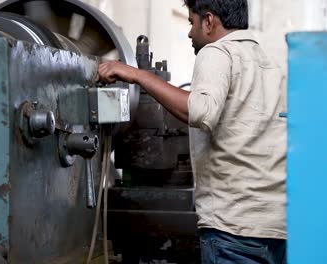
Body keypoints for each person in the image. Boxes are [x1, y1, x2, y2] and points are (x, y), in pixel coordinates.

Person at [96, 0, 287, 263]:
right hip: (277, 227)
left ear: (208, 21)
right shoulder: (272, 65)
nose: (189, 33)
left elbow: (200, 111)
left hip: (232, 229)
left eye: (191, 22)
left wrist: (137, 75)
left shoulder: (217, 52)